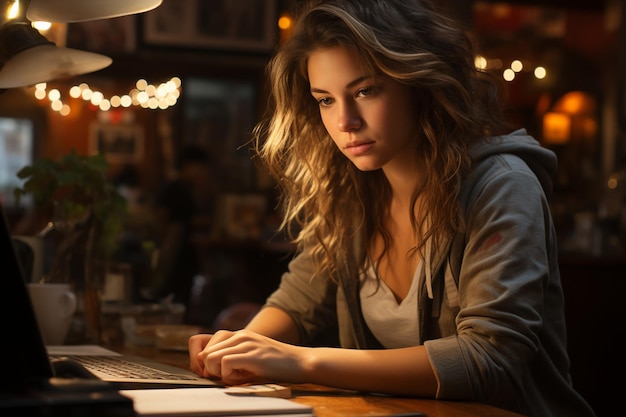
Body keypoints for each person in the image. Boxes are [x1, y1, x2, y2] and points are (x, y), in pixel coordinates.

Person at [188, 1, 596, 416]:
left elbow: (489, 359)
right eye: (325, 100)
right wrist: (237, 350)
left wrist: (301, 361)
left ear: (418, 82)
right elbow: (298, 302)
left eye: (365, 91)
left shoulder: (502, 185)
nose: (345, 121)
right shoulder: (352, 191)